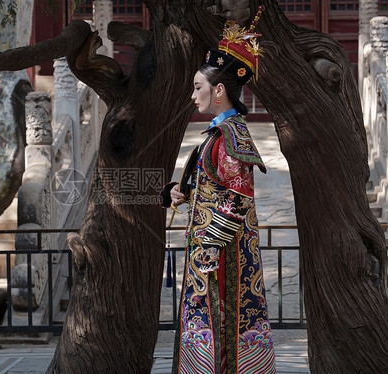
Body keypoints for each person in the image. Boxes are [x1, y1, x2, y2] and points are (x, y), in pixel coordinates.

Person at [160, 10, 277, 374]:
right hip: (212, 251)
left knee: (220, 327)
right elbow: (213, 186)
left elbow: (238, 198)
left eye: (198, 87)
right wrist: (178, 193)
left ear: (220, 90)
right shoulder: (219, 134)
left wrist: (209, 249)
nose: (193, 94)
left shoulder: (230, 135)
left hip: (220, 257)